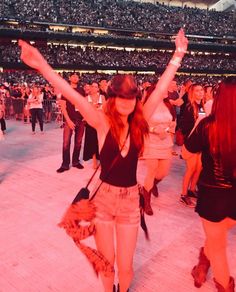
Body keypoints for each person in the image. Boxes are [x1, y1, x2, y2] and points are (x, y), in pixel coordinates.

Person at [18, 28, 188, 292]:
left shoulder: (140, 120)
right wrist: (41, 64)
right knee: (107, 262)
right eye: (120, 97)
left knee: (127, 266)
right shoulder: (101, 120)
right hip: (104, 200)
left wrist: (178, 54)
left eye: (131, 98)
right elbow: (68, 91)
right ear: (111, 99)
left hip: (131, 201)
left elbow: (163, 86)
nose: (126, 103)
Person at [184, 77, 236, 292]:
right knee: (216, 238)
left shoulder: (208, 125)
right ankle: (202, 267)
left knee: (218, 247)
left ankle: (224, 285)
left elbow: (186, 152)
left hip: (213, 197)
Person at [141, 85, 176, 215]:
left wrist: (169, 129)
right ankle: (146, 201)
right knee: (151, 172)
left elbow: (172, 123)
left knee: (163, 173)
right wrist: (154, 130)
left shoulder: (168, 105)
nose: (167, 91)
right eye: (164, 89)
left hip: (166, 143)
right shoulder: (148, 106)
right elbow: (141, 125)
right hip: (151, 142)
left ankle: (150, 186)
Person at [178, 83, 205, 207]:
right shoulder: (190, 107)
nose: (200, 92)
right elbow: (184, 126)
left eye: (201, 90)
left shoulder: (202, 106)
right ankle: (183, 195)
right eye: (197, 91)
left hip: (200, 143)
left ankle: (192, 189)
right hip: (191, 143)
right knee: (191, 169)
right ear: (192, 93)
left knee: (198, 169)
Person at [56, 73, 85, 173]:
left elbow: (84, 104)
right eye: (73, 76)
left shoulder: (81, 90)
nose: (75, 77)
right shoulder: (66, 90)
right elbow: (63, 107)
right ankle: (65, 164)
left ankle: (75, 161)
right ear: (69, 78)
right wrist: (68, 120)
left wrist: (84, 117)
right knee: (66, 143)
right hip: (70, 120)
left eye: (77, 76)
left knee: (78, 143)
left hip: (80, 120)